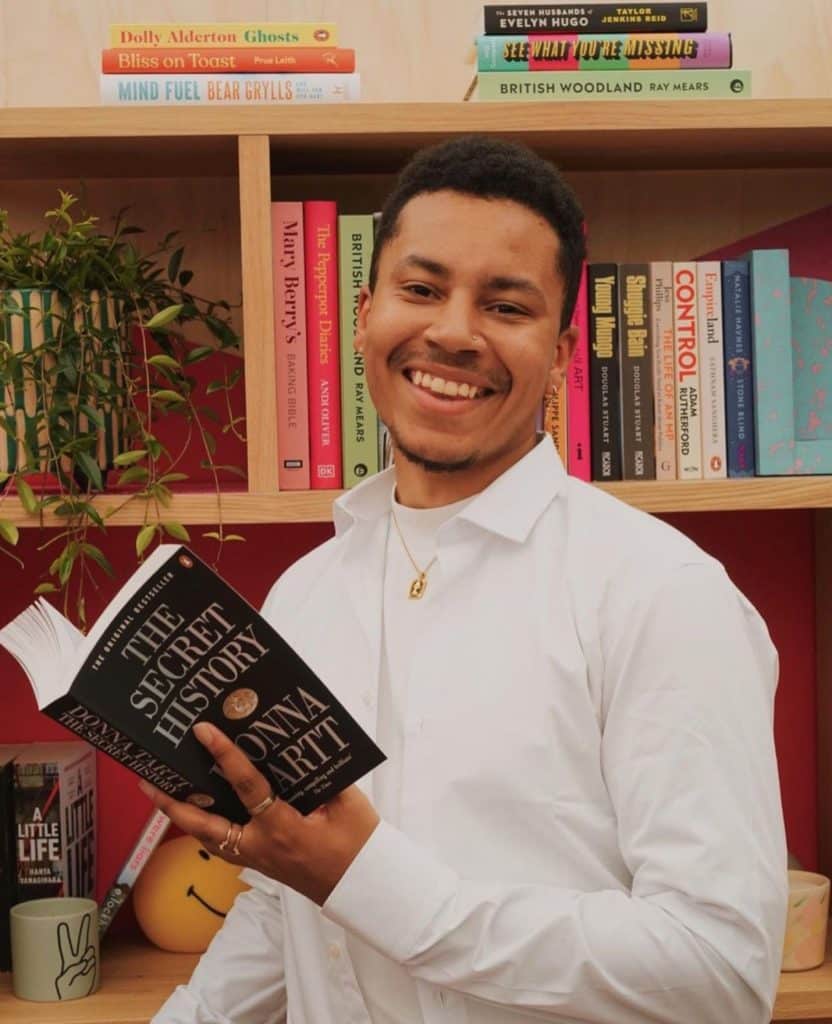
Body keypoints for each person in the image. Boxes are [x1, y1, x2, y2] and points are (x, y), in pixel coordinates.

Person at [148, 135, 787, 1024]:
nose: (452, 331)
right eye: (421, 288)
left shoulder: (662, 592)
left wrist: (377, 886)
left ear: (562, 351)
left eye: (506, 304)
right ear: (364, 312)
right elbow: (287, 913)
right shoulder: (303, 593)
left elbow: (720, 971)